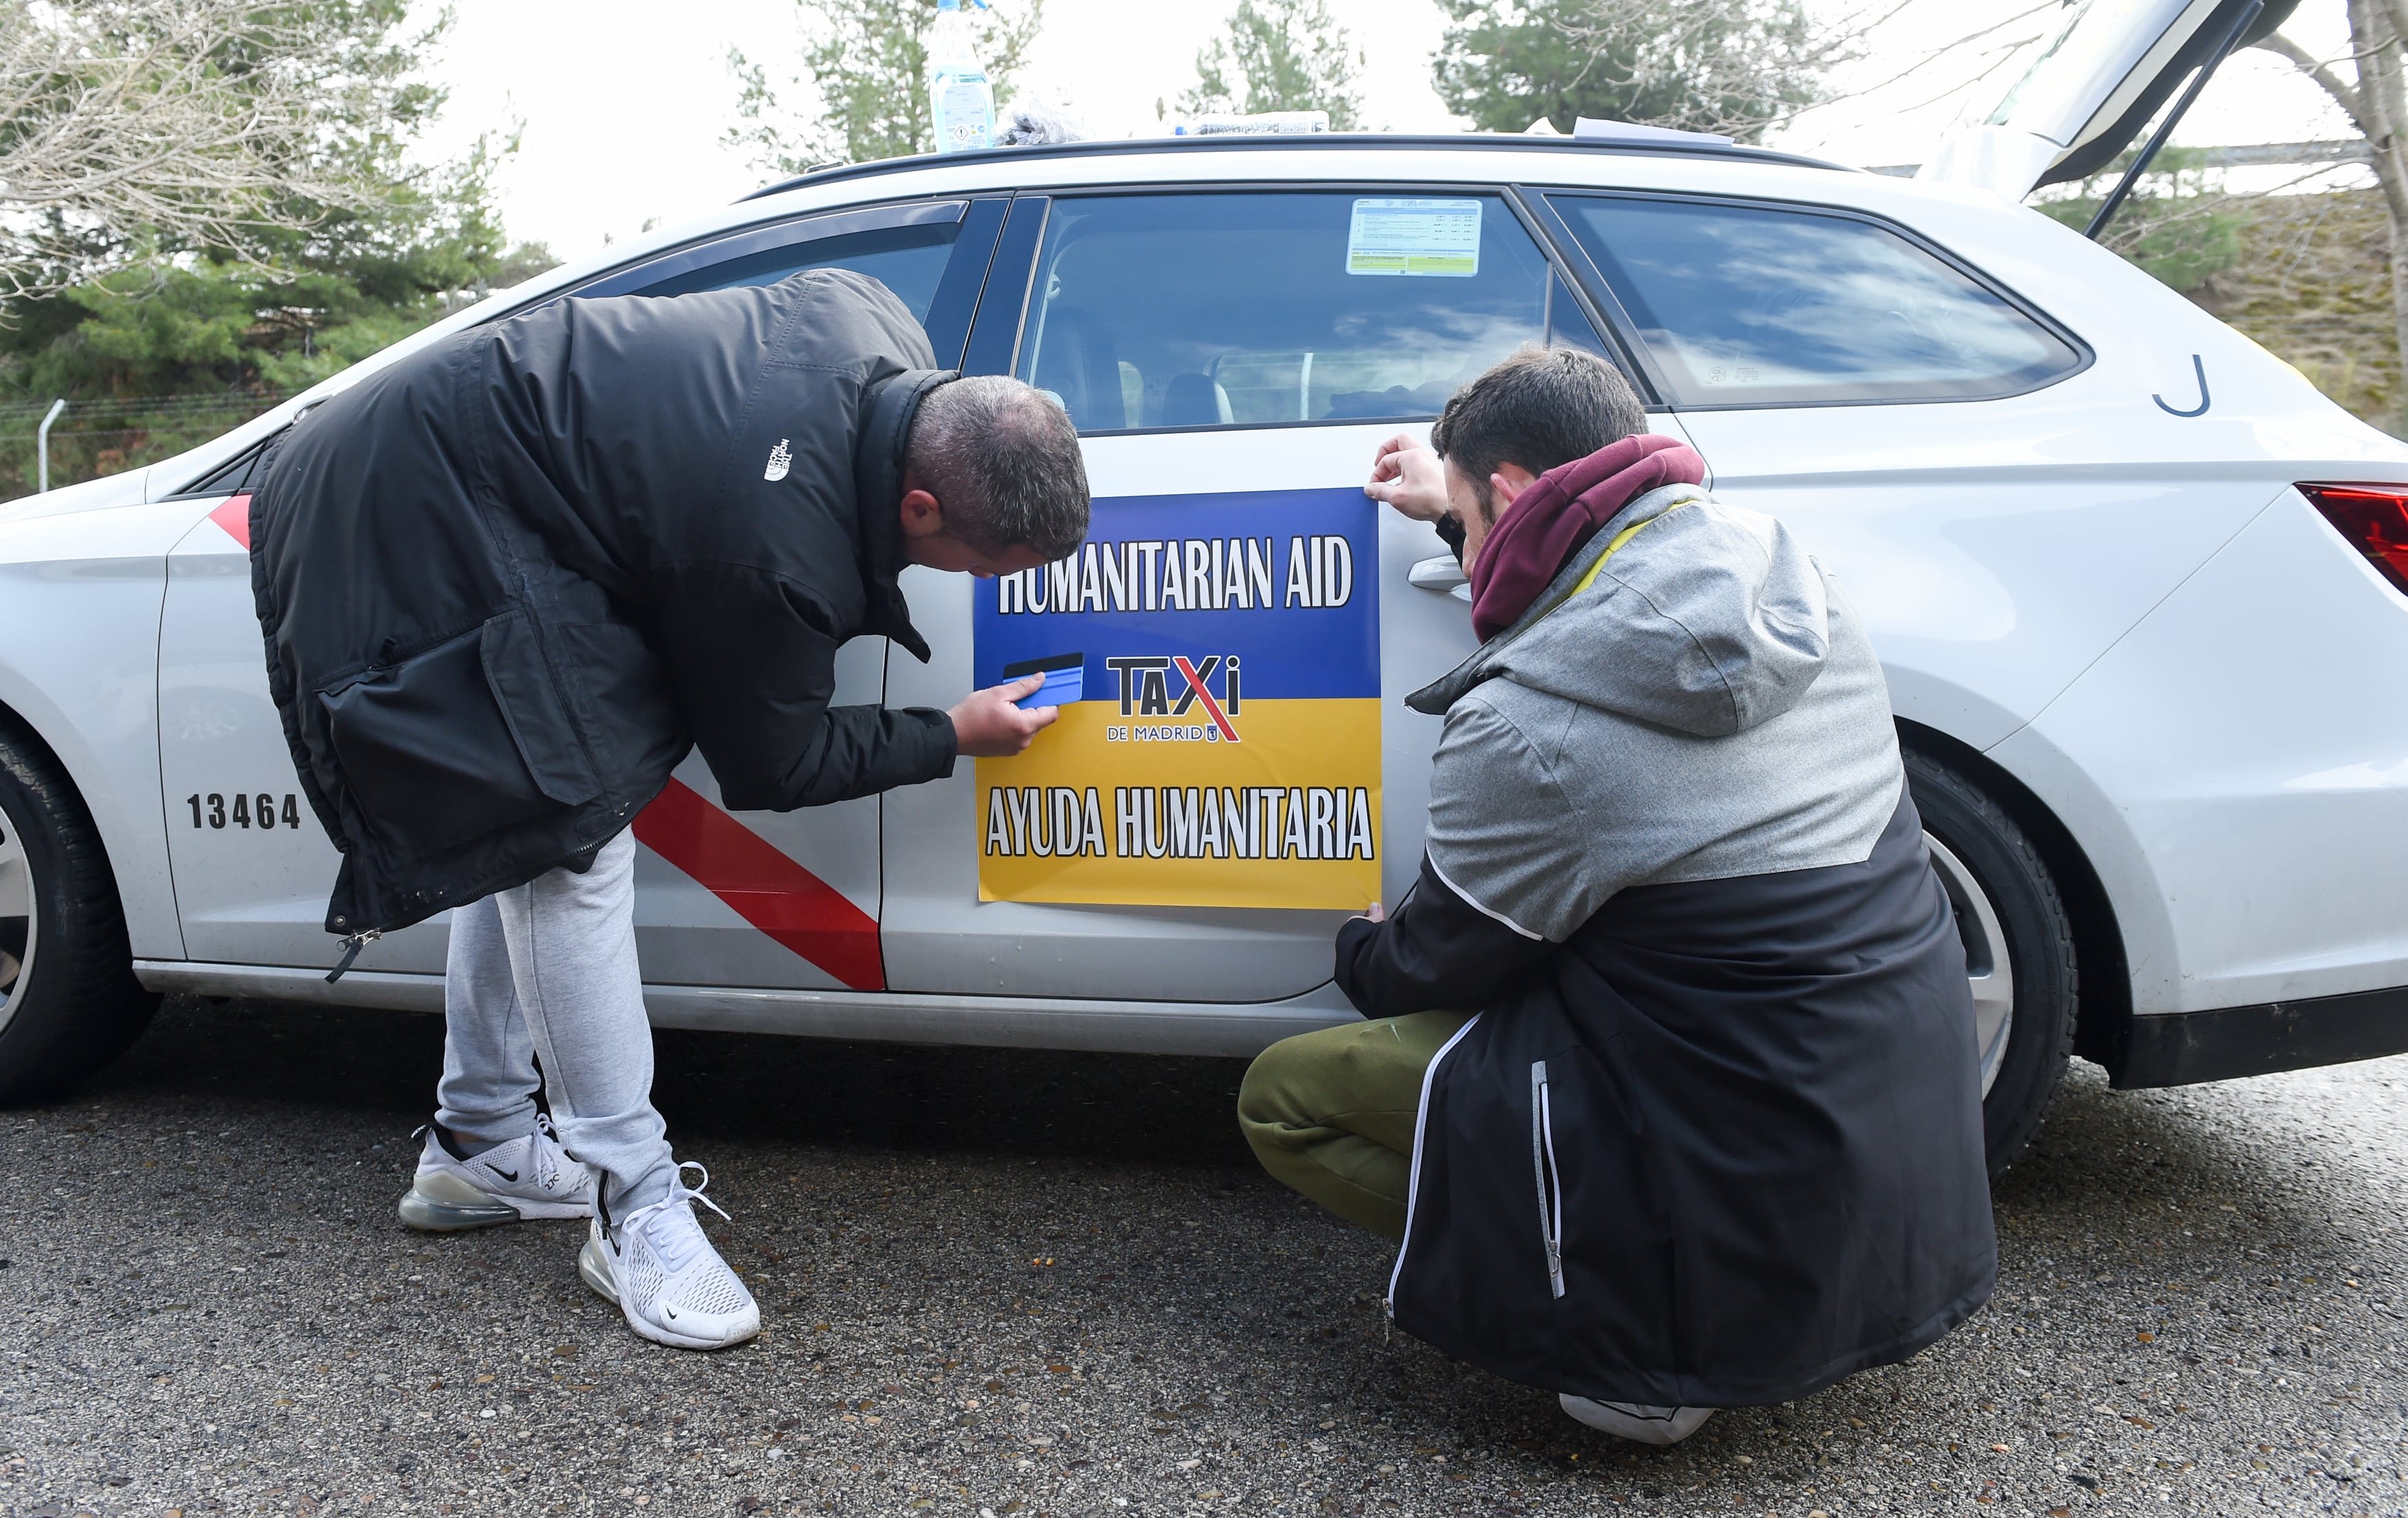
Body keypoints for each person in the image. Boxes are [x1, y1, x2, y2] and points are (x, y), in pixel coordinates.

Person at [250, 268, 1089, 1351]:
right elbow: (774, 764)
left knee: (530, 824)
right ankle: (631, 1201)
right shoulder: (775, 544)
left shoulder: (877, 316)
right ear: (920, 504)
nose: (974, 581)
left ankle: (480, 1144)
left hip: (474, 457)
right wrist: (953, 733)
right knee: (566, 832)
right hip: (405, 497)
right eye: (979, 562)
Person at [1236, 345, 1994, 1443]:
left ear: (1505, 489)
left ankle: (1628, 1326)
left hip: (1718, 1125)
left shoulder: (1522, 727)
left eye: (1463, 510)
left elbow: (1430, 963)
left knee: (1285, 1094)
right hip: (1888, 1133)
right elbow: (1594, 603)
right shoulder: (1785, 574)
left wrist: (1355, 944)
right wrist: (1451, 514)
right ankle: (1720, 1282)